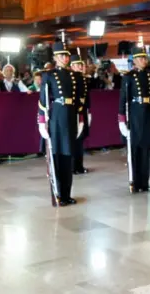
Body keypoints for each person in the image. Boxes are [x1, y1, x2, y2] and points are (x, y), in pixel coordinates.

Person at [37, 42, 84, 207]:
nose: (65, 58)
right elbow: (43, 101)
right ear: (55, 57)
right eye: (61, 55)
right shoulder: (49, 75)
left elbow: (79, 102)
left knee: (68, 157)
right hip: (56, 117)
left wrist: (81, 120)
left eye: (66, 55)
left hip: (70, 116)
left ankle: (67, 193)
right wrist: (42, 122)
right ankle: (57, 193)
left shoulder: (75, 76)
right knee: (57, 156)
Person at [118, 46, 150, 192]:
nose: (143, 60)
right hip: (134, 115)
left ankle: (144, 182)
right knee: (134, 150)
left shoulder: (149, 76)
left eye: (144, 58)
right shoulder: (128, 77)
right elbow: (123, 99)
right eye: (140, 58)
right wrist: (122, 120)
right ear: (134, 60)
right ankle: (135, 182)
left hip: (147, 114)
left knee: (146, 150)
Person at [70, 53, 91, 174]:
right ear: (72, 66)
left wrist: (89, 109)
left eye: (81, 64)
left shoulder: (83, 78)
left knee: (81, 139)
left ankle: (79, 165)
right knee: (74, 139)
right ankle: (73, 166)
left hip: (83, 110)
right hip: (74, 111)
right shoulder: (71, 78)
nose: (80, 66)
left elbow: (86, 97)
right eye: (78, 64)